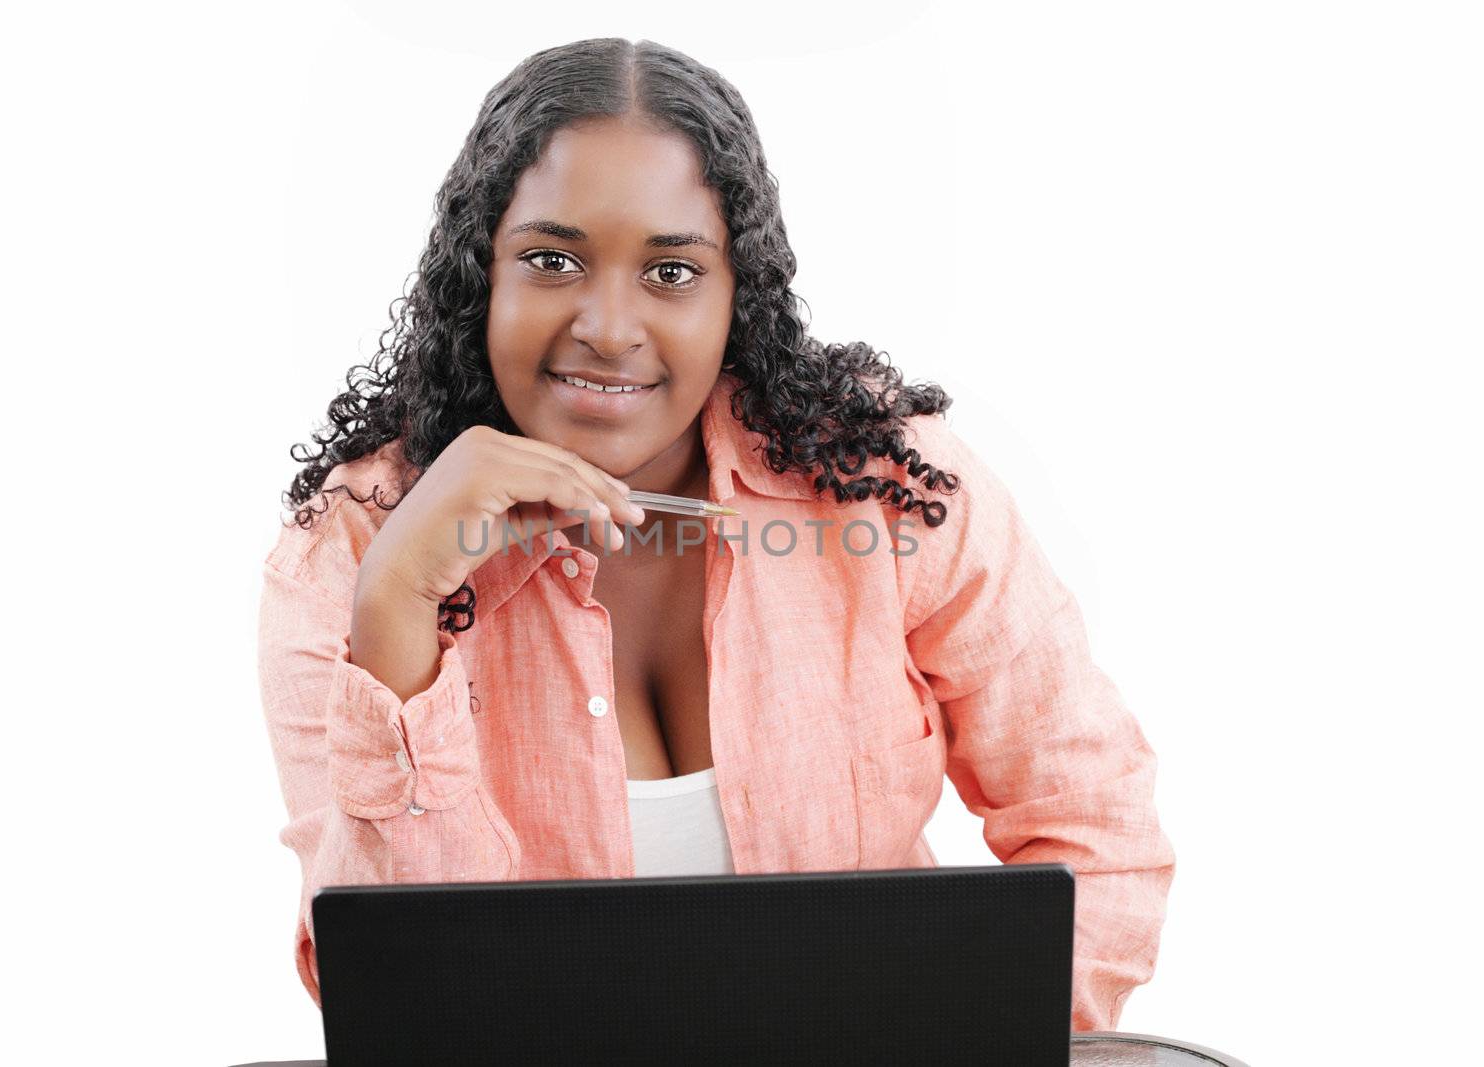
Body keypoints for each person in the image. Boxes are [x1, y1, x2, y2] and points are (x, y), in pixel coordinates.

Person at [257, 37, 1175, 1033]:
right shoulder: (350, 547)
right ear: (482, 274)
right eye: (552, 260)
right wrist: (397, 609)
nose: (608, 326)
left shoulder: (883, 487)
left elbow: (1096, 826)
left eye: (670, 270)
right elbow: (414, 997)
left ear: (739, 297)